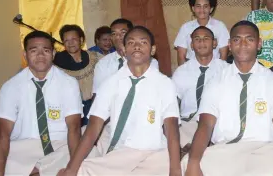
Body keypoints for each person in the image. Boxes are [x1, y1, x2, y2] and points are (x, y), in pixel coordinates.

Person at [58, 26, 181, 175]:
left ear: (153, 50)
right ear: (123, 49)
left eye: (143, 42)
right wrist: (72, 168)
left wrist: (175, 170)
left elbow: (172, 129)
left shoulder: (165, 84)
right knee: (79, 170)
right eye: (131, 43)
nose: (136, 46)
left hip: (154, 154)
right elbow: (93, 128)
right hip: (121, 154)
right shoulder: (111, 83)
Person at [183, 21, 273, 175]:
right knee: (189, 165)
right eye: (236, 40)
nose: (242, 44)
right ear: (229, 45)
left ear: (259, 44)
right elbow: (206, 125)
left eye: (249, 39)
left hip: (264, 150)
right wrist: (194, 162)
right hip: (225, 149)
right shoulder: (216, 81)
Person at [0, 31, 82, 175]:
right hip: (23, 147)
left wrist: (74, 167)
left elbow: (74, 128)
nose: (40, 55)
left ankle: (34, 170)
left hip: (59, 145)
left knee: (90, 153)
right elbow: (2, 133)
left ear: (54, 54)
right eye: (34, 50)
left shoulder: (69, 83)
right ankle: (42, 170)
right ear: (25, 55)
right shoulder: (11, 87)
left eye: (46, 50)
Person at [172, 26, 228, 148]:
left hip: (217, 122)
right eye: (197, 39)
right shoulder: (181, 72)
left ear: (214, 43)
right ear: (191, 45)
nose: (201, 42)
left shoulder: (226, 70)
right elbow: (172, 103)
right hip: (189, 123)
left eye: (206, 38)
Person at [53, 24, 102, 126]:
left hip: (94, 106)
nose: (70, 43)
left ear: (81, 40)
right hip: (69, 109)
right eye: (66, 40)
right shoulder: (55, 63)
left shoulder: (95, 58)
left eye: (74, 39)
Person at [92, 18, 159, 92]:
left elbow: (149, 89)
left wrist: (127, 55)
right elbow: (97, 94)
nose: (118, 37)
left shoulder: (149, 61)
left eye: (123, 33)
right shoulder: (103, 63)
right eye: (114, 34)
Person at [173, 0, 230, 66]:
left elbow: (224, 55)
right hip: (191, 69)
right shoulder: (185, 28)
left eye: (205, 6)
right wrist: (183, 73)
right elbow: (181, 56)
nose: (202, 10)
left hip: (215, 69)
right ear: (193, 8)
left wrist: (219, 72)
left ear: (211, 9)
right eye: (198, 6)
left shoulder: (220, 26)